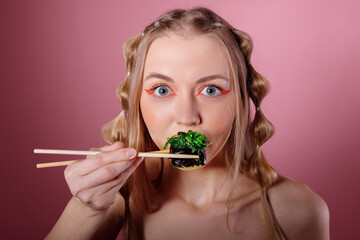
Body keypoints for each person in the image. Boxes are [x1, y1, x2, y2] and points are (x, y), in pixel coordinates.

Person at [45, 7, 329, 240]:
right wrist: (85, 208)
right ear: (137, 102)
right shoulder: (122, 198)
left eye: (211, 90)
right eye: (161, 90)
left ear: (242, 101)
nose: (187, 117)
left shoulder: (297, 210)